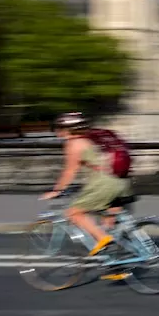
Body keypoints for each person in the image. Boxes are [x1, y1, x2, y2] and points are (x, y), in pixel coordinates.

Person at [42, 112, 135, 272]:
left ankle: (102, 239)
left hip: (105, 183)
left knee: (74, 213)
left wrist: (57, 190)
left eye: (59, 129)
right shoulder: (95, 139)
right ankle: (116, 265)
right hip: (122, 181)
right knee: (110, 223)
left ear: (66, 129)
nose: (58, 133)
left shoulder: (74, 144)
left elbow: (70, 171)